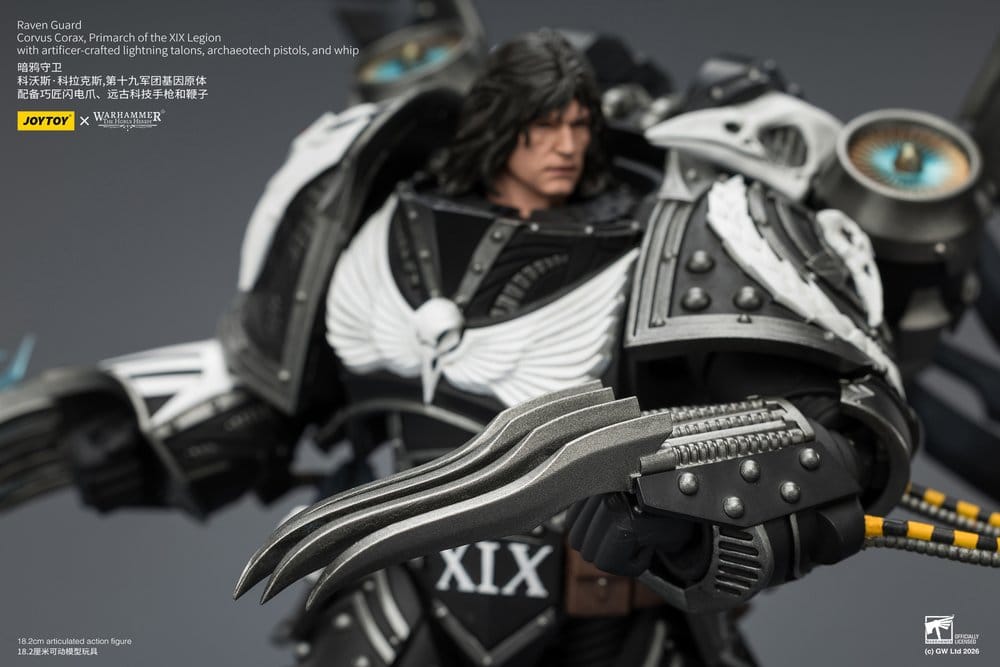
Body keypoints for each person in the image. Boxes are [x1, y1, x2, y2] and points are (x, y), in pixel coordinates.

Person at [3, 26, 996, 667]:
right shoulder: (378, 218)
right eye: (541, 124)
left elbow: (843, 439)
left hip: (612, 627)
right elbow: (268, 386)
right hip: (389, 615)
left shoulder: (692, 230)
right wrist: (128, 426)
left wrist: (683, 500)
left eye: (578, 124)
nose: (565, 145)